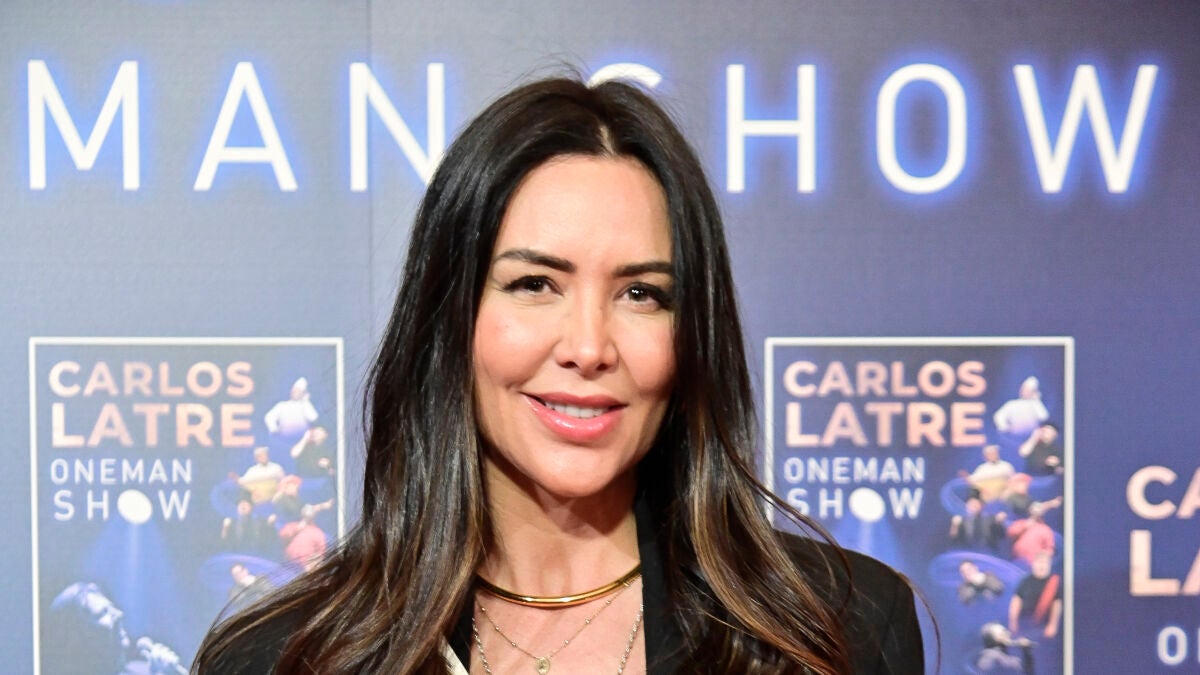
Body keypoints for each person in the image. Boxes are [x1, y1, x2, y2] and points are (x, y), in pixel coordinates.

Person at [194, 76, 923, 673]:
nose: (589, 346)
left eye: (642, 293)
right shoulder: (281, 658)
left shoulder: (842, 629)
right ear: (450, 317)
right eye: (535, 284)